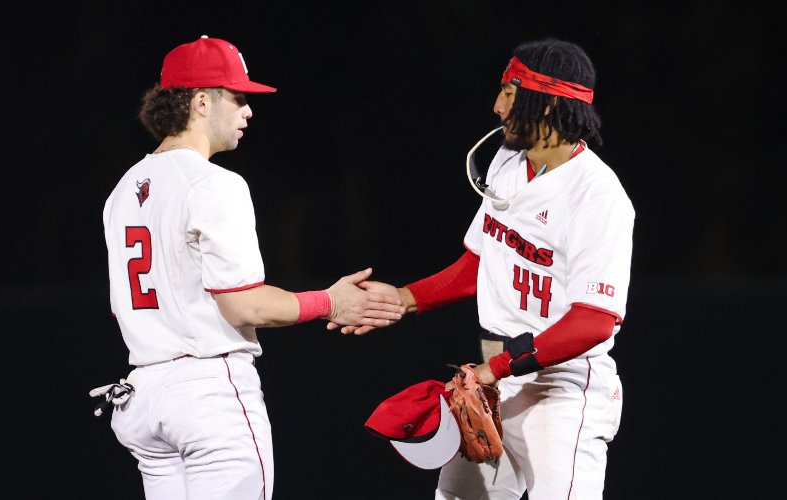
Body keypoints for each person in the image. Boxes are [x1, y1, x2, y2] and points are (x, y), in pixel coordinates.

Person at [97, 36, 404, 500]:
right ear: (201, 101)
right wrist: (331, 302)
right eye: (237, 97)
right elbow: (243, 306)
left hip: (142, 395)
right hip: (206, 395)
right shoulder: (213, 183)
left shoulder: (122, 191)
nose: (248, 111)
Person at [337, 39, 633, 499]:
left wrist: (496, 368)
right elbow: (479, 263)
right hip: (496, 377)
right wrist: (402, 298)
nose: (497, 107)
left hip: (562, 390)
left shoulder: (598, 196)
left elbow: (594, 320)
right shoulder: (509, 162)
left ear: (549, 103)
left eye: (509, 93)